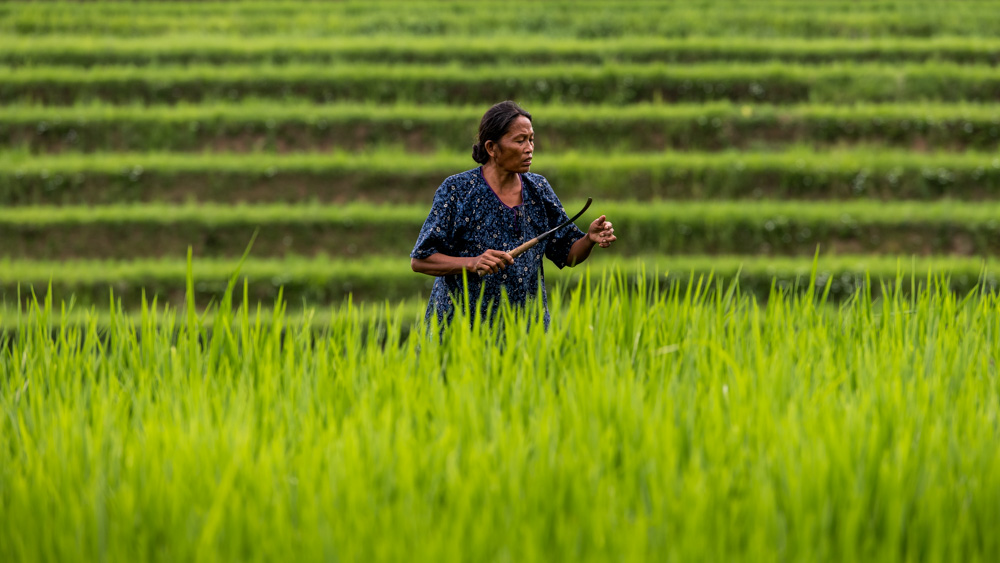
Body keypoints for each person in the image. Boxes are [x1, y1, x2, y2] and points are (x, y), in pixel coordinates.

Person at [410, 100, 617, 327]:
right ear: (491, 148)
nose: (529, 148)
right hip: (461, 330)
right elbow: (421, 260)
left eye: (531, 140)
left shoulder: (538, 189)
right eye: (520, 141)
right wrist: (472, 263)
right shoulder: (458, 190)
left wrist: (589, 239)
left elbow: (568, 254)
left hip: (525, 331)